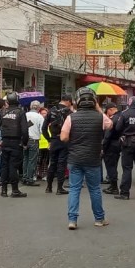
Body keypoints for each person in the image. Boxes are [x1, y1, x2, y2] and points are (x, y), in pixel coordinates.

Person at [60, 87, 113, 230]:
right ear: (94, 101)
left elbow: (63, 137)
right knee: (95, 189)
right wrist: (98, 108)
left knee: (74, 189)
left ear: (77, 101)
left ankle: (72, 220)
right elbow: (110, 125)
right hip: (93, 160)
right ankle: (99, 219)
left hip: (75, 159)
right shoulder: (100, 117)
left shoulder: (71, 117)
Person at [0, 92, 29, 198]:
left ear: (7, 101)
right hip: (16, 142)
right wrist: (24, 143)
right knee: (13, 166)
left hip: (5, 142)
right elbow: (25, 130)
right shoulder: (20, 112)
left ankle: (3, 190)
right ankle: (15, 190)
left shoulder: (2, 112)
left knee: (4, 166)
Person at [44, 94, 73, 195]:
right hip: (64, 140)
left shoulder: (51, 111)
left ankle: (49, 187)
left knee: (52, 163)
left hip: (54, 140)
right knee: (62, 164)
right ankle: (59, 188)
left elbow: (43, 128)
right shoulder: (69, 112)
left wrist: (49, 139)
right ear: (68, 101)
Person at [102, 102, 121, 195]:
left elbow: (108, 135)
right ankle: (112, 186)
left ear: (110, 110)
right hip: (119, 144)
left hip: (111, 145)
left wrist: (103, 147)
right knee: (114, 165)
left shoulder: (113, 119)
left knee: (110, 166)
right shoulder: (121, 116)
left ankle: (114, 187)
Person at [23, 101, 44, 186]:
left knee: (25, 159)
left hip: (25, 140)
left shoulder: (24, 115)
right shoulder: (40, 117)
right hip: (34, 140)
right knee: (32, 160)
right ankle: (30, 178)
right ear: (38, 108)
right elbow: (42, 130)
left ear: (30, 106)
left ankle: (24, 177)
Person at [36, 107, 51, 181]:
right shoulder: (38, 121)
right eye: (42, 113)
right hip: (39, 142)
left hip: (47, 143)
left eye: (45, 113)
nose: (44, 115)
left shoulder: (49, 122)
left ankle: (44, 175)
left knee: (45, 161)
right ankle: (37, 174)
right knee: (38, 160)